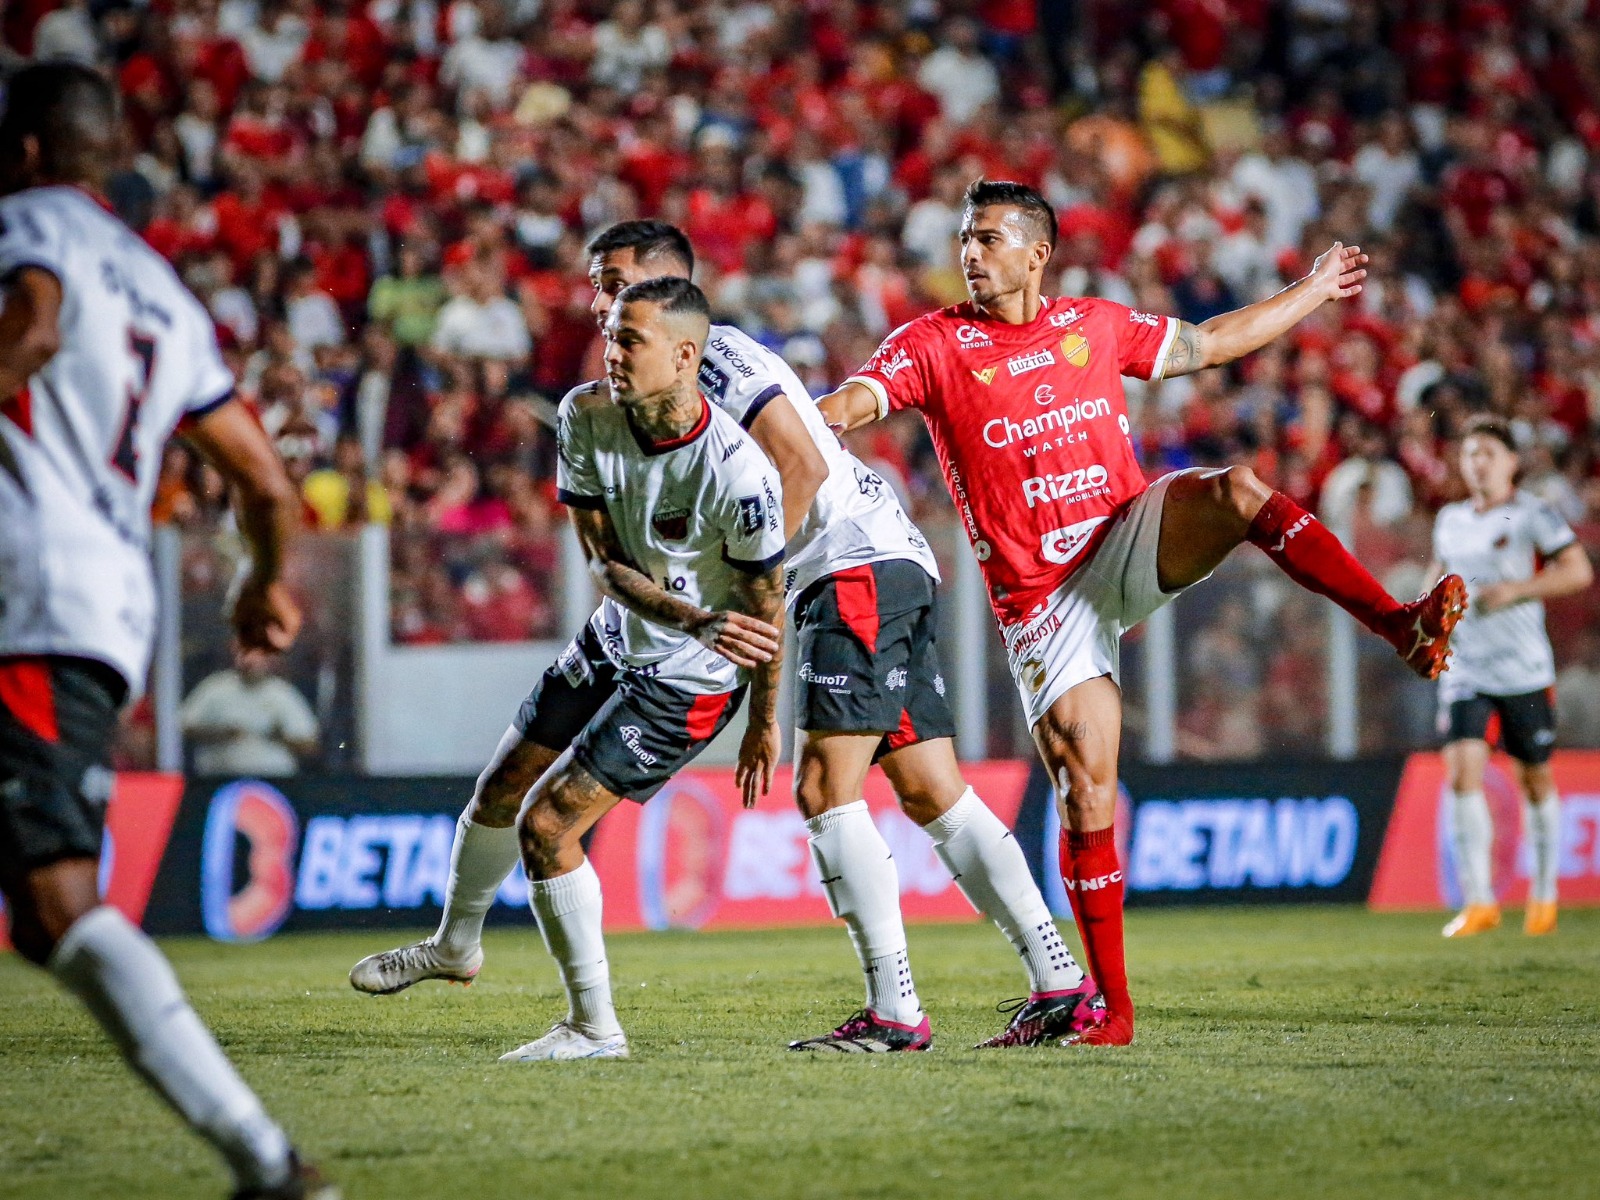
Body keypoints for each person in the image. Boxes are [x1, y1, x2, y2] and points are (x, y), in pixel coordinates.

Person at [352, 219, 1101, 1052]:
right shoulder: (623, 390)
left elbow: (802, 469)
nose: (597, 303)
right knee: (932, 791)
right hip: (865, 560)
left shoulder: (712, 355)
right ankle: (1061, 980)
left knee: (824, 786)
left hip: (844, 563)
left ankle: (895, 1013)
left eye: (613, 283)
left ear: (665, 284)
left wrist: (727, 599)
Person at [819, 179, 1468, 1047]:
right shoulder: (934, 343)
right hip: (1046, 602)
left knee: (1240, 488)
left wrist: (1313, 291)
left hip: (1128, 534)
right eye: (964, 241)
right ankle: (1110, 1013)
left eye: (987, 239)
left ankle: (1400, 624)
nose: (969, 254)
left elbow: (1208, 341)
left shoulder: (1094, 323)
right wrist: (799, 426)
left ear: (1036, 252)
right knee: (1087, 793)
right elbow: (860, 402)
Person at [0, 64, 334, 1198]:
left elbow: (33, 329)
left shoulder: (24, 226)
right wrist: (262, 584)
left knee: (55, 905)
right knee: (51, 915)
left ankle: (267, 1161)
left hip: (23, 593)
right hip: (103, 606)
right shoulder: (162, 291)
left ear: (29, 153)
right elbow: (268, 484)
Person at [357, 276, 787, 1061]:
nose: (611, 352)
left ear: (686, 355)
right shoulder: (583, 415)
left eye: (632, 340)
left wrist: (762, 724)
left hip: (687, 682)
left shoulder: (741, 476)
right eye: (611, 335)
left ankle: (595, 1029)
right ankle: (454, 947)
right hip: (614, 636)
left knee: (549, 827)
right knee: (498, 788)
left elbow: (765, 613)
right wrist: (692, 614)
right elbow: (604, 564)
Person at [1427, 417, 1593, 938]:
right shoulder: (1450, 518)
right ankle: (1479, 901)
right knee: (1461, 773)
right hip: (1466, 668)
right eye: (1470, 453)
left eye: (1489, 453)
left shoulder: (1533, 515)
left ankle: (1544, 896)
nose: (1478, 462)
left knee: (1534, 778)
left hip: (1523, 670)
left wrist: (1518, 590)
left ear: (1511, 462)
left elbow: (1579, 571)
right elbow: (1437, 576)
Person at [181, 643, 320, 776]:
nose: (251, 661)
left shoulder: (283, 693)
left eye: (258, 656)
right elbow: (184, 727)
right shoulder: (215, 688)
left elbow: (310, 745)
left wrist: (281, 737)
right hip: (217, 779)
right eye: (246, 654)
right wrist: (220, 733)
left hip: (274, 782)